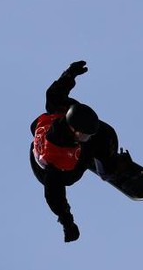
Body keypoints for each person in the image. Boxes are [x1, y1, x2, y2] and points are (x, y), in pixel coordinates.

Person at [30, 60, 124, 242]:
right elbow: (54, 196)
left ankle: (103, 156)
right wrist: (68, 222)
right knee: (96, 144)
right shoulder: (56, 162)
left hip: (67, 144)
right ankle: (108, 170)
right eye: (84, 136)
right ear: (73, 130)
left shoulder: (60, 107)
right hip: (63, 170)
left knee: (105, 134)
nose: (87, 138)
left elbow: (55, 91)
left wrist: (69, 74)